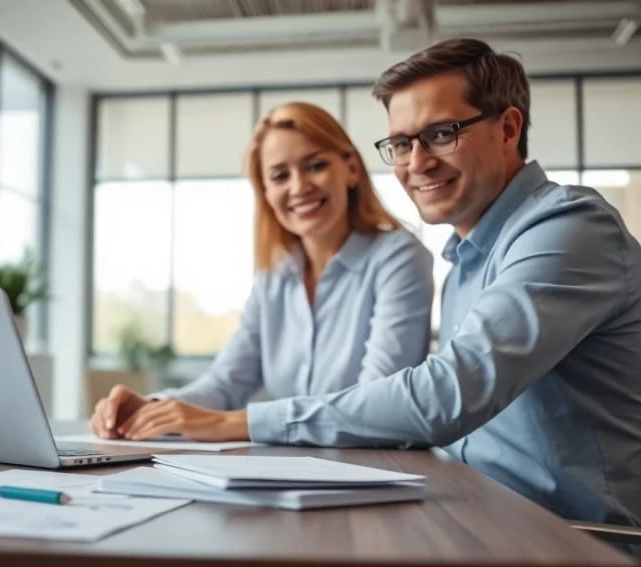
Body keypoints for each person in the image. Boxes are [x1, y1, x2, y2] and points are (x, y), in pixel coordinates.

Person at [97, 39, 641, 567]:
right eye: (401, 143)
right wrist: (156, 412)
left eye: (441, 134)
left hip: (570, 547)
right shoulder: (468, 259)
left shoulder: (567, 229)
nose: (417, 162)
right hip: (474, 517)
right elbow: (233, 378)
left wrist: (235, 422)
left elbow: (445, 397)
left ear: (508, 127)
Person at [89, 101, 434, 442]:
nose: (298, 187)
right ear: (266, 192)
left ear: (351, 169)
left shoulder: (399, 257)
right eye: (280, 176)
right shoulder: (274, 276)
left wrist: (232, 424)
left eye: (315, 165)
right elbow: (226, 383)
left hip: (375, 470)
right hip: (295, 470)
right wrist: (152, 409)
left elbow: (376, 404)